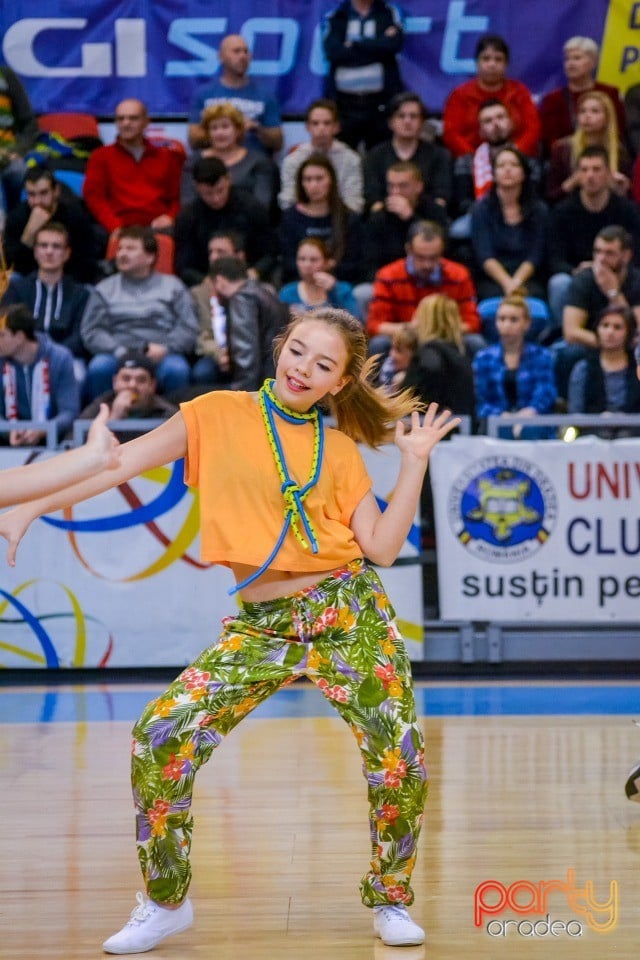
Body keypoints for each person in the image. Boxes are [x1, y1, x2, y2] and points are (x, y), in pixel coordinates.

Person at [0, 307, 461, 954]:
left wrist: (414, 461)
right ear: (281, 347)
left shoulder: (342, 451)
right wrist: (27, 509)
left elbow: (383, 548)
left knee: (399, 754)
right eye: (298, 351)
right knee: (160, 735)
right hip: (264, 624)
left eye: (323, 364)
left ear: (340, 382)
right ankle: (166, 902)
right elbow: (115, 465)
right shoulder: (214, 412)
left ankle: (390, 897)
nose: (304, 368)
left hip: (348, 610)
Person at [80, 226, 198, 399]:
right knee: (99, 368)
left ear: (150, 257)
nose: (122, 254)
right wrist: (117, 350)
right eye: (120, 248)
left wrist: (166, 348)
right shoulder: (104, 289)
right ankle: (103, 420)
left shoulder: (173, 286)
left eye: (131, 248)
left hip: (161, 354)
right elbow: (92, 331)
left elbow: (188, 329)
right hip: (116, 354)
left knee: (177, 370)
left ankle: (176, 424)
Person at [547, 146, 640, 331]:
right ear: (577, 176)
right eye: (584, 170)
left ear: (608, 174)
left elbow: (635, 254)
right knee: (558, 283)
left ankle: (629, 337)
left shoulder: (626, 210)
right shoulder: (562, 212)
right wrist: (579, 270)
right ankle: (564, 334)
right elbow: (554, 259)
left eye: (596, 169)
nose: (590, 175)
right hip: (578, 276)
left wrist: (614, 272)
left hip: (620, 274)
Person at [367, 220, 482, 355]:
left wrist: (438, 329)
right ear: (408, 249)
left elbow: (472, 323)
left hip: (446, 337)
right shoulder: (388, 276)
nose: (427, 265)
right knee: (379, 344)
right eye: (420, 258)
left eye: (433, 258)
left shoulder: (459, 275)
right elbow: (375, 326)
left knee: (475, 342)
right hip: (406, 336)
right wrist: (413, 328)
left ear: (442, 251)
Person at [1, 221, 91, 380]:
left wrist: (53, 354)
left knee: (77, 376)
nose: (49, 252)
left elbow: (80, 335)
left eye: (56, 246)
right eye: (43, 246)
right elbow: (9, 329)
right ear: (35, 251)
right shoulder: (16, 289)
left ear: (67, 253)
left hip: (65, 357)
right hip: (20, 353)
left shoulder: (81, 294)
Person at [82, 99, 184, 236]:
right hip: (118, 227)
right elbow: (95, 198)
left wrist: (170, 217)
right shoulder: (100, 156)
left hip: (158, 228)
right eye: (120, 119)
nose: (126, 123)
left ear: (146, 122)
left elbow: (177, 198)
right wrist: (115, 226)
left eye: (133, 118)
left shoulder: (167, 157)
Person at [174, 157, 276, 287]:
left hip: (248, 277)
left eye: (220, 190)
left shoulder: (252, 207)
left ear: (229, 179)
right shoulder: (188, 217)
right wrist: (205, 281)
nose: (216, 199)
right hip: (206, 281)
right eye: (208, 193)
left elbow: (270, 253)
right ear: (196, 187)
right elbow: (183, 266)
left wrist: (255, 272)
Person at [322, 0, 405, 151]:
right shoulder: (336, 16)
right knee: (343, 156)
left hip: (380, 105)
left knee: (379, 155)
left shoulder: (389, 13)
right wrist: (376, 46)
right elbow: (334, 52)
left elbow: (392, 45)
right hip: (344, 106)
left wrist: (355, 43)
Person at [442, 34, 540, 160]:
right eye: (486, 59)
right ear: (477, 63)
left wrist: (514, 154)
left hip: (517, 160)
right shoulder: (460, 95)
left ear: (506, 64)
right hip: (472, 162)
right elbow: (451, 134)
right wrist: (476, 158)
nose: (492, 64)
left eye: (498, 59)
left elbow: (533, 128)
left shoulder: (519, 91)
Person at [470, 146, 549, 301]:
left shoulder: (538, 210)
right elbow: (485, 254)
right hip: (493, 278)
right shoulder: (481, 209)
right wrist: (507, 284)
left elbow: (535, 254)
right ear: (493, 173)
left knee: (535, 300)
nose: (507, 170)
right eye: (501, 166)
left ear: (524, 173)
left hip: (527, 278)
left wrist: (516, 282)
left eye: (514, 165)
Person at [472, 295, 557, 437]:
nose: (507, 325)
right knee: (501, 430)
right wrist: (503, 417)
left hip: (533, 421)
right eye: (502, 319)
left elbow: (546, 393)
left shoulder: (542, 356)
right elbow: (481, 400)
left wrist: (528, 413)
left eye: (514, 320)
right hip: (495, 423)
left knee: (530, 430)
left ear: (527, 323)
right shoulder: (483, 358)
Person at [188, 35, 283, 156]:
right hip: (215, 164)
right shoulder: (204, 94)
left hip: (254, 165)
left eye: (246, 51)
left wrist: (256, 128)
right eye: (236, 51)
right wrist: (224, 128)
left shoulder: (266, 95)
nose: (243, 56)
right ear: (221, 57)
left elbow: (278, 142)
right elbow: (193, 140)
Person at [0, 303, 79, 445]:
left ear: (19, 337)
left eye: (1, 335)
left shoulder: (60, 358)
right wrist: (9, 430)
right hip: (7, 442)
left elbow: (69, 412)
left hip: (53, 442)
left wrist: (42, 430)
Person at [278, 153, 363, 285]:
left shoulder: (348, 218)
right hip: (299, 284)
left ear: (331, 180)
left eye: (319, 179)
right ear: (301, 183)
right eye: (308, 179)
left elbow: (355, 261)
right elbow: (287, 261)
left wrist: (327, 269)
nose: (313, 185)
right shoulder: (290, 217)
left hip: (339, 283)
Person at [3, 166, 99, 283]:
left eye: (43, 193)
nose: (37, 201)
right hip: (30, 281)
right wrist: (29, 233)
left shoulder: (75, 216)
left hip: (69, 280)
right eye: (31, 194)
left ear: (56, 191)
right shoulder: (16, 217)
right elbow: (11, 266)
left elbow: (87, 260)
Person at [184, 102, 279, 219]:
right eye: (214, 128)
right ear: (208, 133)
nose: (220, 133)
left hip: (248, 226)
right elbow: (187, 202)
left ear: (238, 130)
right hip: (204, 226)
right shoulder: (194, 162)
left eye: (225, 126)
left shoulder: (259, 161)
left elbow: (262, 205)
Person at [208, 256, 288, 390]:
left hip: (259, 384)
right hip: (274, 376)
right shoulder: (264, 291)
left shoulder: (242, 299)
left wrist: (242, 395)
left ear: (219, 281)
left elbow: (246, 354)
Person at [363, 92, 452, 211]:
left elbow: (441, 197)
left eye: (413, 116)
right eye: (401, 116)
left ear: (422, 122)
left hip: (427, 220)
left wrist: (411, 215)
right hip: (386, 219)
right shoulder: (375, 155)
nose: (407, 121)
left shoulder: (439, 155)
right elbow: (373, 198)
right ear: (391, 122)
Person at [539, 37, 626, 156]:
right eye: (567, 59)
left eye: (577, 58)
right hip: (567, 158)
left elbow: (619, 132)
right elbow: (550, 142)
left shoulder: (610, 94)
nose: (570, 64)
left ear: (593, 62)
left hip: (607, 154)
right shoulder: (552, 100)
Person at [278, 98, 364, 214]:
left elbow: (354, 203)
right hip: (303, 220)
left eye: (327, 123)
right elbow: (287, 202)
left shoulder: (351, 160)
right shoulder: (293, 160)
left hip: (340, 220)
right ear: (307, 127)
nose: (321, 128)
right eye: (315, 123)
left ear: (336, 127)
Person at [546, 91, 630, 204]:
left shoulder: (619, 152)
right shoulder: (562, 149)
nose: (587, 116)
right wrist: (571, 183)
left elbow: (627, 199)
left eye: (594, 111)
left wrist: (622, 188)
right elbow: (550, 196)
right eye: (582, 111)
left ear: (607, 117)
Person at [402, 294, 476, 417]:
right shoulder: (461, 351)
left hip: (431, 426)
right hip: (461, 426)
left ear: (426, 319)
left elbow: (429, 376)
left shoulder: (429, 352)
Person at [77, 353, 178, 441]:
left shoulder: (167, 413)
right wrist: (114, 418)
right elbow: (75, 443)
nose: (132, 385)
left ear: (152, 385)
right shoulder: (101, 407)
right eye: (126, 379)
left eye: (141, 380)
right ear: (115, 382)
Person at [567, 304, 640, 425]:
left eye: (617, 327)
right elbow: (575, 414)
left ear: (629, 333)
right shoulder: (583, 369)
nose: (610, 332)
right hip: (593, 434)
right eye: (605, 326)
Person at [279, 238, 359, 317]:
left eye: (314, 260)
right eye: (302, 259)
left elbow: (355, 323)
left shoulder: (343, 290)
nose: (307, 265)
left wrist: (333, 292)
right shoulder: (287, 293)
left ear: (327, 263)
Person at [0, 65, 39, 213]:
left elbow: (30, 123)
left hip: (8, 154)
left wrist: (18, 150)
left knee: (20, 171)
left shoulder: (6, 75)